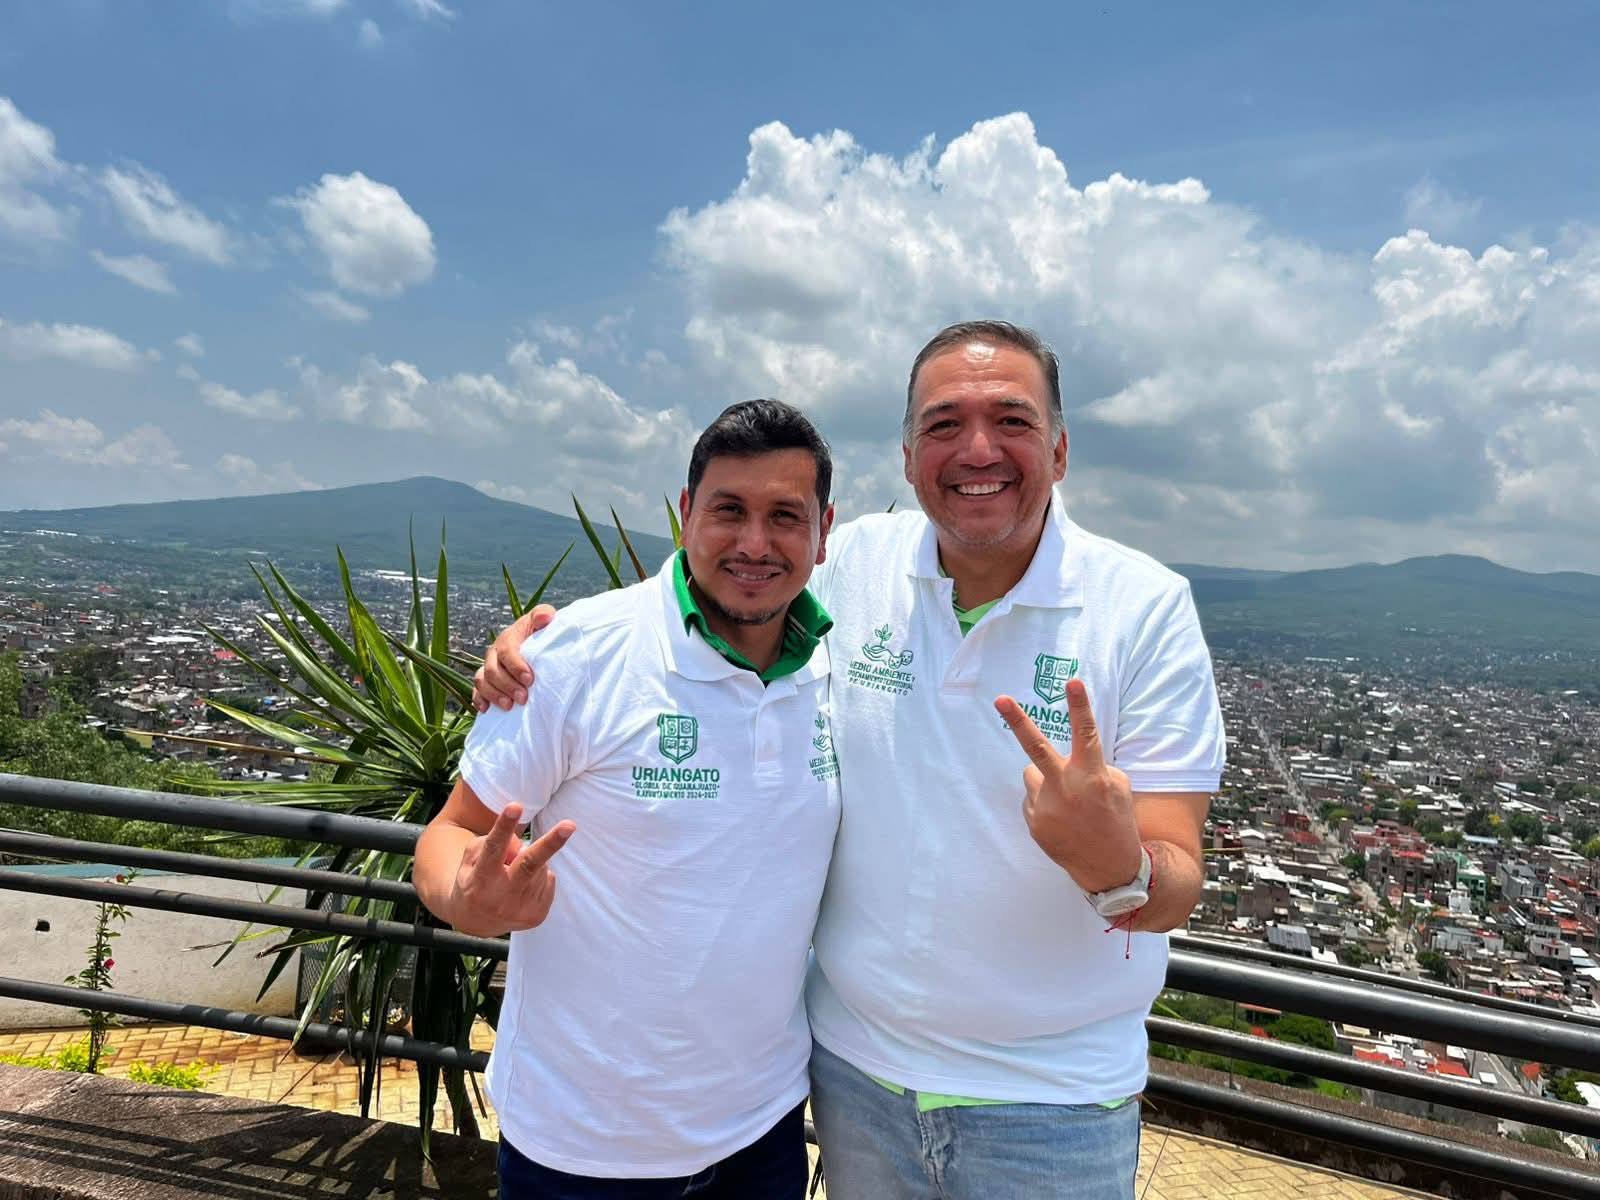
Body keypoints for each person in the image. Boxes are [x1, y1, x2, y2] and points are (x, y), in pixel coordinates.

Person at [475, 322, 1225, 1200]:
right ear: (908, 458)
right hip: (853, 1078)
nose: (977, 449)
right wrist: (542, 653)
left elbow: (1176, 876)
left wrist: (1119, 866)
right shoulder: (852, 567)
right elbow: (720, 589)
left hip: (1050, 1100)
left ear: (1059, 450)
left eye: (1011, 420)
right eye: (943, 424)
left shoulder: (1143, 609)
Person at [414, 399, 840, 1199]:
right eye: (729, 510)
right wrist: (470, 898)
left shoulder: (837, 666)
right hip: (583, 1144)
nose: (755, 543)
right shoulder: (577, 654)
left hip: (763, 1127)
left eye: (785, 516)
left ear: (824, 530)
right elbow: (452, 831)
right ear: (685, 513)